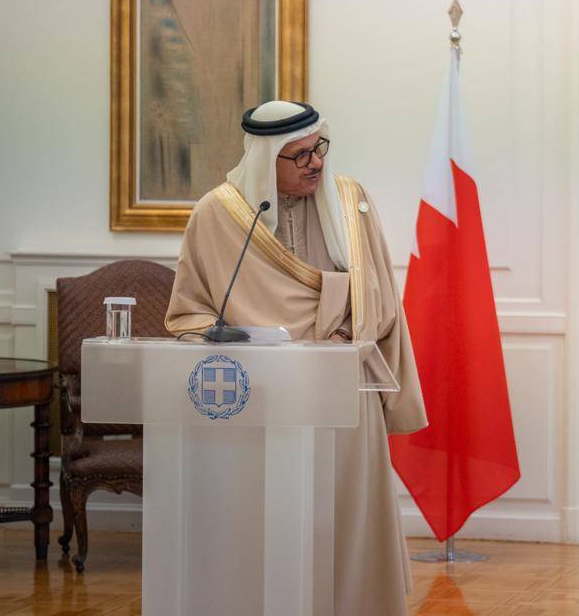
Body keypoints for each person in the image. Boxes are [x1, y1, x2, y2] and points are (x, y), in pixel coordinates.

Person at [166, 100, 426, 615]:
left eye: (319, 148)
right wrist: (232, 341)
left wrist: (344, 332)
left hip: (342, 386)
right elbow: (188, 312)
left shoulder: (350, 202)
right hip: (259, 400)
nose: (316, 163)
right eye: (300, 155)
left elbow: (379, 298)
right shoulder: (217, 215)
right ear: (266, 159)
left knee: (346, 517)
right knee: (269, 522)